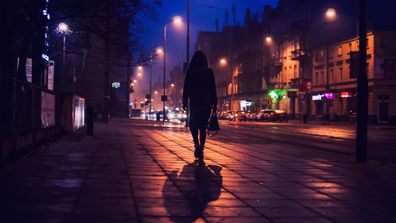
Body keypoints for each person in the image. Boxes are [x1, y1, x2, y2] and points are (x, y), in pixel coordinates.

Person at [183, 51, 217, 161]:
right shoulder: (209, 72)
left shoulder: (191, 72)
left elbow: (186, 88)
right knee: (202, 127)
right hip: (206, 102)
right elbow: (213, 88)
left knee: (193, 124)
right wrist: (215, 103)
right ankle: (201, 148)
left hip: (195, 101)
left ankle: (196, 144)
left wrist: (184, 102)